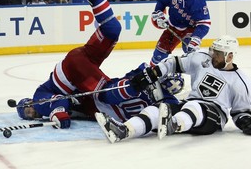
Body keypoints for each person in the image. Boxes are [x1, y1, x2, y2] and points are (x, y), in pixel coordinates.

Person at [15, 0, 180, 129]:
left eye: (28, 110)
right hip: (82, 61)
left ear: (29, 102)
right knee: (112, 31)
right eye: (28, 115)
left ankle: (141, 82)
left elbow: (58, 102)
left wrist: (58, 114)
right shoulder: (48, 104)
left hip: (73, 70)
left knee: (105, 94)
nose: (32, 114)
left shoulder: (39, 97)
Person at [96, 35, 251, 143]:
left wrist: (246, 121)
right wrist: (155, 72)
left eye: (218, 53)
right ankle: (124, 130)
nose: (213, 55)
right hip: (189, 109)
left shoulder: (240, 81)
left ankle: (174, 123)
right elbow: (173, 63)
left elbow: (241, 112)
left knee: (193, 106)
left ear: (230, 56)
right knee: (157, 109)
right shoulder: (202, 59)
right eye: (213, 51)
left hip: (212, 118)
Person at [150, 0, 211, 66]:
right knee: (158, 57)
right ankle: (153, 78)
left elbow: (204, 23)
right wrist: (158, 15)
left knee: (191, 55)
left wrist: (196, 39)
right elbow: (161, 2)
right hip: (173, 26)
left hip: (190, 28)